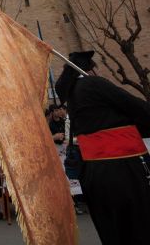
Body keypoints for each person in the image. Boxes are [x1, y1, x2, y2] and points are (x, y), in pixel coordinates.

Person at [55, 50, 150, 245]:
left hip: (94, 171)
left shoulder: (71, 94)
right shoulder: (93, 83)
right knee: (138, 226)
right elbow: (138, 108)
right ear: (91, 69)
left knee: (112, 229)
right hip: (122, 167)